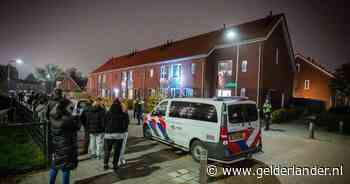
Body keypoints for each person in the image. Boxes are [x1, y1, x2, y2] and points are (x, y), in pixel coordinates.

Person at [47, 91, 80, 184]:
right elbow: (77, 126)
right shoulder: (67, 120)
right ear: (65, 108)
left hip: (57, 146)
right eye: (69, 107)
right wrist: (76, 116)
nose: (71, 108)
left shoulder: (54, 116)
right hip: (66, 147)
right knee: (66, 168)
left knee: (55, 166)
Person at [103, 98, 129, 170]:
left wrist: (106, 130)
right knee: (117, 151)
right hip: (119, 135)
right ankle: (115, 165)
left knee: (107, 150)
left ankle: (105, 164)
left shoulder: (107, 113)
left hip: (108, 135)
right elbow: (126, 125)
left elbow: (104, 123)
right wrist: (122, 130)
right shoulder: (123, 114)